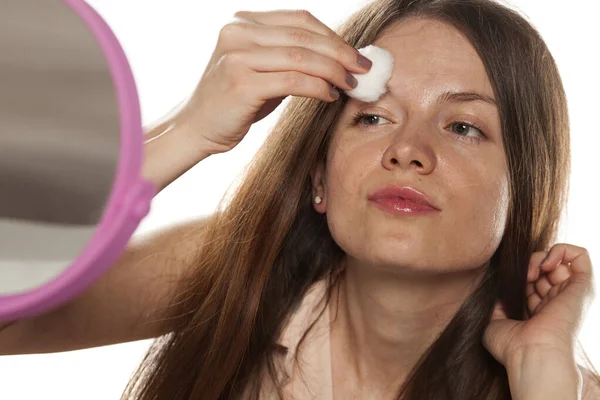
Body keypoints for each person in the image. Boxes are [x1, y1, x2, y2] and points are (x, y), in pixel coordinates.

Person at [2, 0, 600, 399]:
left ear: (524, 185)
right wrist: (187, 133)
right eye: (372, 118)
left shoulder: (558, 384)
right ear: (319, 176)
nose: (408, 151)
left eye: (463, 126)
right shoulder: (230, 271)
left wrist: (545, 380)